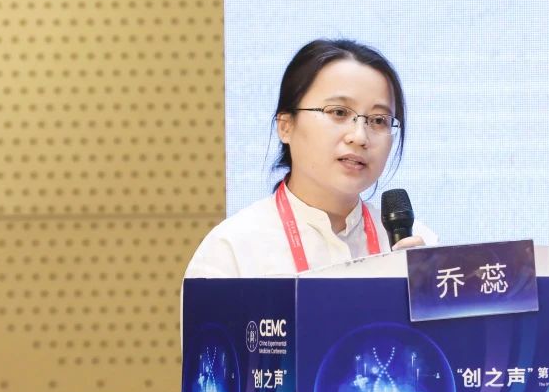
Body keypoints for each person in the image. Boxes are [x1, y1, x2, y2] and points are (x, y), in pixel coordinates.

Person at [185, 38, 435, 279]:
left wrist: (426, 293)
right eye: (339, 112)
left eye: (379, 120)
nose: (360, 136)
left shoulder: (420, 250)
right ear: (286, 126)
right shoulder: (231, 251)